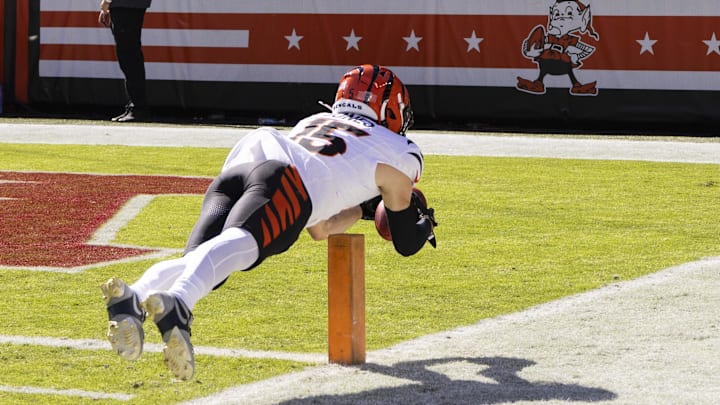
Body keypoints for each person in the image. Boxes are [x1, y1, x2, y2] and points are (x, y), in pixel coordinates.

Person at [100, 64, 438, 380]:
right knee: (243, 246)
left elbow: (320, 227)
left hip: (249, 158)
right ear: (390, 108)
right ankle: (181, 304)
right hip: (288, 178)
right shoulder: (399, 148)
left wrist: (363, 209)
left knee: (203, 262)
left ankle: (136, 296)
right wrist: (420, 222)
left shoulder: (318, 121)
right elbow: (406, 241)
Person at [98, 0, 152, 122]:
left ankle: (138, 107)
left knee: (129, 55)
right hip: (125, 4)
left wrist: (107, 1)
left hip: (126, 4)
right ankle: (135, 106)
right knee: (128, 56)